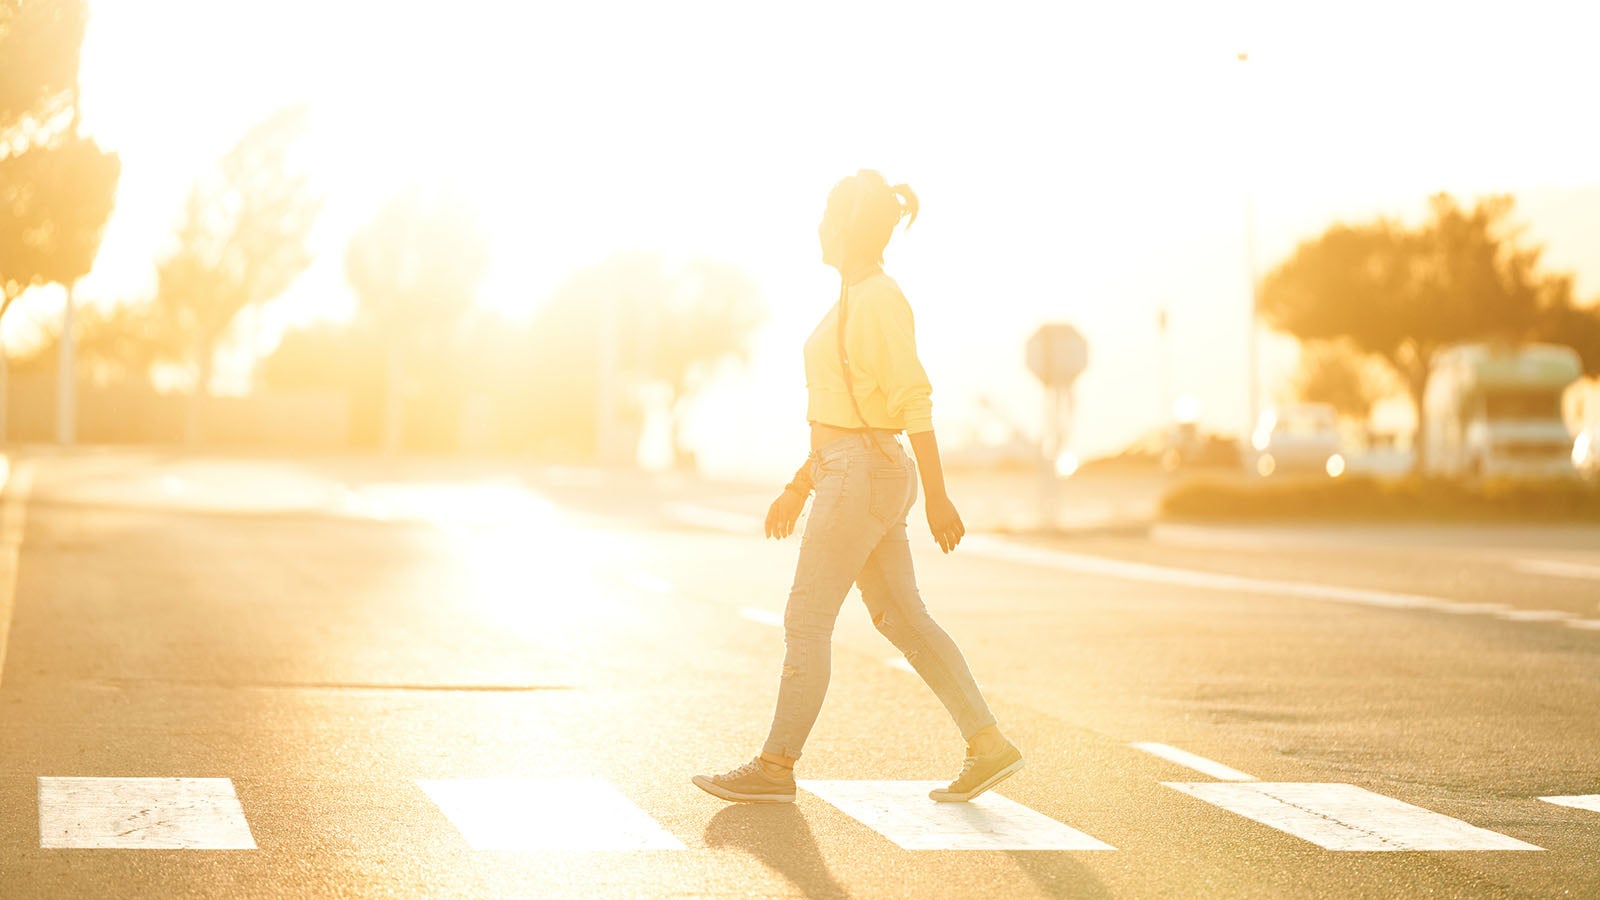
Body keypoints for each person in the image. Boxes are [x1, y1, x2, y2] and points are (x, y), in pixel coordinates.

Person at [693, 170, 1022, 805]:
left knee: (807, 619)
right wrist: (798, 483)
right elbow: (843, 411)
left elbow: (911, 397)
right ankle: (988, 746)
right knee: (902, 618)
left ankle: (775, 766)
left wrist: (938, 494)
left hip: (862, 473)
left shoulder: (877, 300)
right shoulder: (852, 298)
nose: (818, 227)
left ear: (847, 227)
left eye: (826, 217)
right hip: (855, 468)